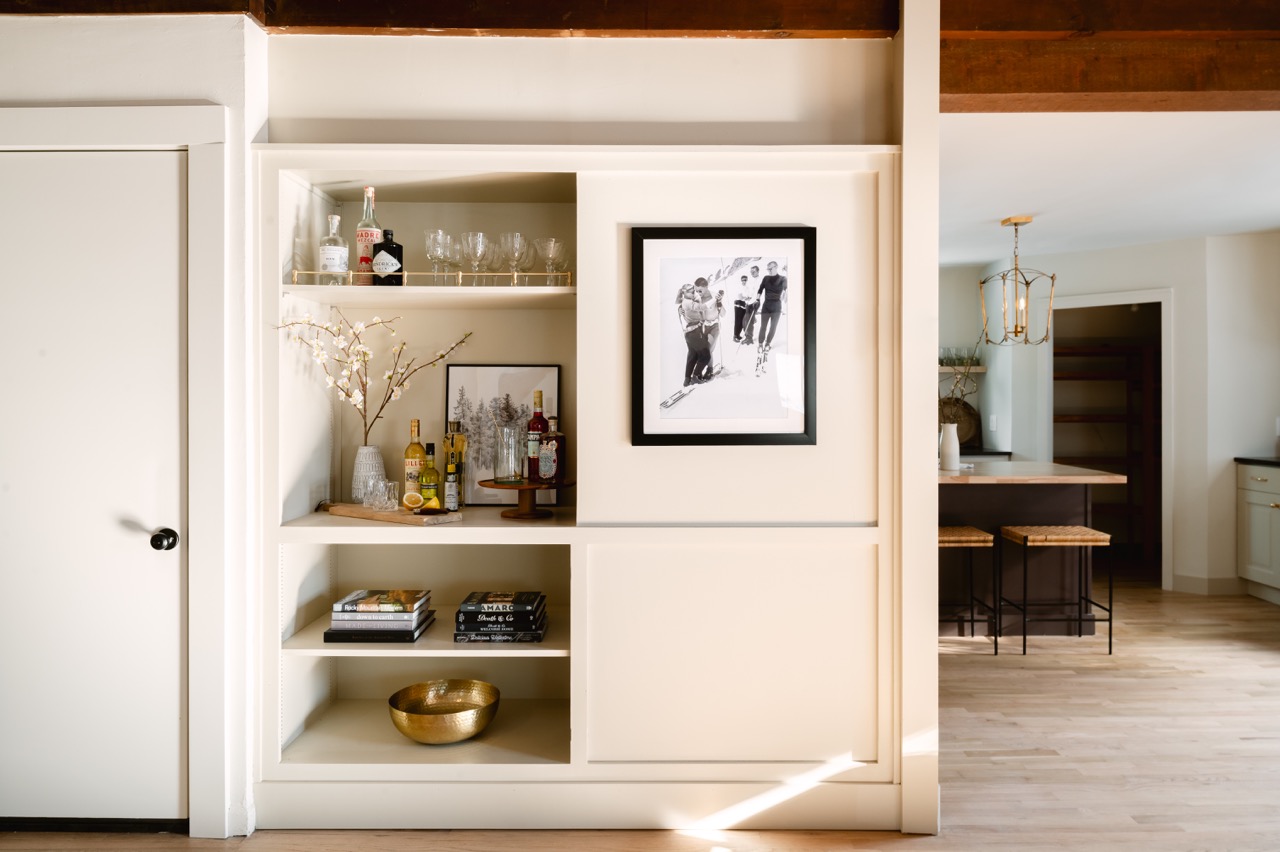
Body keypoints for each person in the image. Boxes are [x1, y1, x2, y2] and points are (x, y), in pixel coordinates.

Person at [677, 276, 724, 386]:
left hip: (693, 331)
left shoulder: (688, 300)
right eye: (692, 291)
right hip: (695, 331)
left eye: (695, 290)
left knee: (692, 355)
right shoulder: (688, 301)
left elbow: (684, 304)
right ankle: (696, 376)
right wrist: (715, 300)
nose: (694, 292)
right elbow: (702, 307)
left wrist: (719, 302)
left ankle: (687, 379)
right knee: (705, 354)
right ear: (685, 293)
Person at [755, 260, 787, 351]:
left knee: (773, 327)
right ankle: (760, 344)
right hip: (766, 306)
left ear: (776, 267)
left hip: (777, 307)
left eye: (770, 268)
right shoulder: (766, 278)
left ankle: (768, 343)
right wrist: (757, 299)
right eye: (768, 269)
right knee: (763, 326)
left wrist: (785, 295)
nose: (769, 270)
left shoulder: (783, 278)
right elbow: (760, 289)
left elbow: (786, 289)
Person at [732, 272, 759, 344]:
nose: (744, 281)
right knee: (738, 320)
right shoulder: (739, 287)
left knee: (743, 320)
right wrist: (747, 298)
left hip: (744, 304)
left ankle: (742, 335)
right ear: (741, 280)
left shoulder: (747, 287)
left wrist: (748, 298)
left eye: (745, 280)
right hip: (738, 304)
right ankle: (735, 336)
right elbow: (740, 297)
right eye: (743, 280)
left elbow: (748, 296)